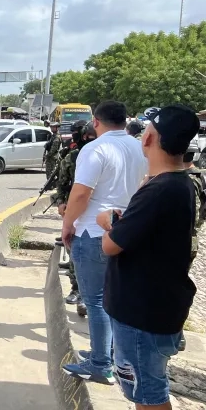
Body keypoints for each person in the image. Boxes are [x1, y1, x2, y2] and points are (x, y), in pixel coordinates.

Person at [97, 105, 199, 410]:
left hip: (143, 314)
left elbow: (110, 245)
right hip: (152, 308)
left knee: (149, 394)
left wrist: (107, 222)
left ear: (149, 138)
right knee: (144, 390)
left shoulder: (161, 189)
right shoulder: (175, 183)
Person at [62, 101, 147, 385]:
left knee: (96, 301)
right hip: (125, 231)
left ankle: (100, 365)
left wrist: (67, 226)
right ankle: (107, 353)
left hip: (92, 232)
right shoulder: (139, 148)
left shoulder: (94, 149)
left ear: (96, 122)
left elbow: (81, 195)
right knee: (115, 299)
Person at [52, 121, 96, 316]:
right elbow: (62, 183)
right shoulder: (73, 157)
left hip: (99, 214)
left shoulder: (103, 156)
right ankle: (77, 288)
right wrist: (62, 202)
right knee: (75, 254)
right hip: (76, 210)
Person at [179, 140, 206, 352]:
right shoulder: (201, 177)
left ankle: (173, 332)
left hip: (176, 242)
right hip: (191, 241)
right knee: (179, 285)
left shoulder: (181, 181)